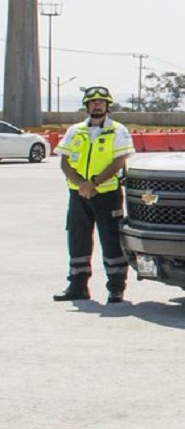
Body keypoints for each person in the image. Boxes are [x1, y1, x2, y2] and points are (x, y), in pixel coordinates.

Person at [52, 86, 135, 303]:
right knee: (77, 238)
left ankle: (116, 288)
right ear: (86, 106)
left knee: (111, 240)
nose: (97, 105)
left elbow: (119, 161)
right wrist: (81, 184)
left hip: (107, 194)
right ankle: (77, 286)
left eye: (101, 102)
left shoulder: (118, 130)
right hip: (78, 193)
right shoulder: (75, 130)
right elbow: (64, 161)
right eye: (93, 102)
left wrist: (94, 183)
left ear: (108, 105)